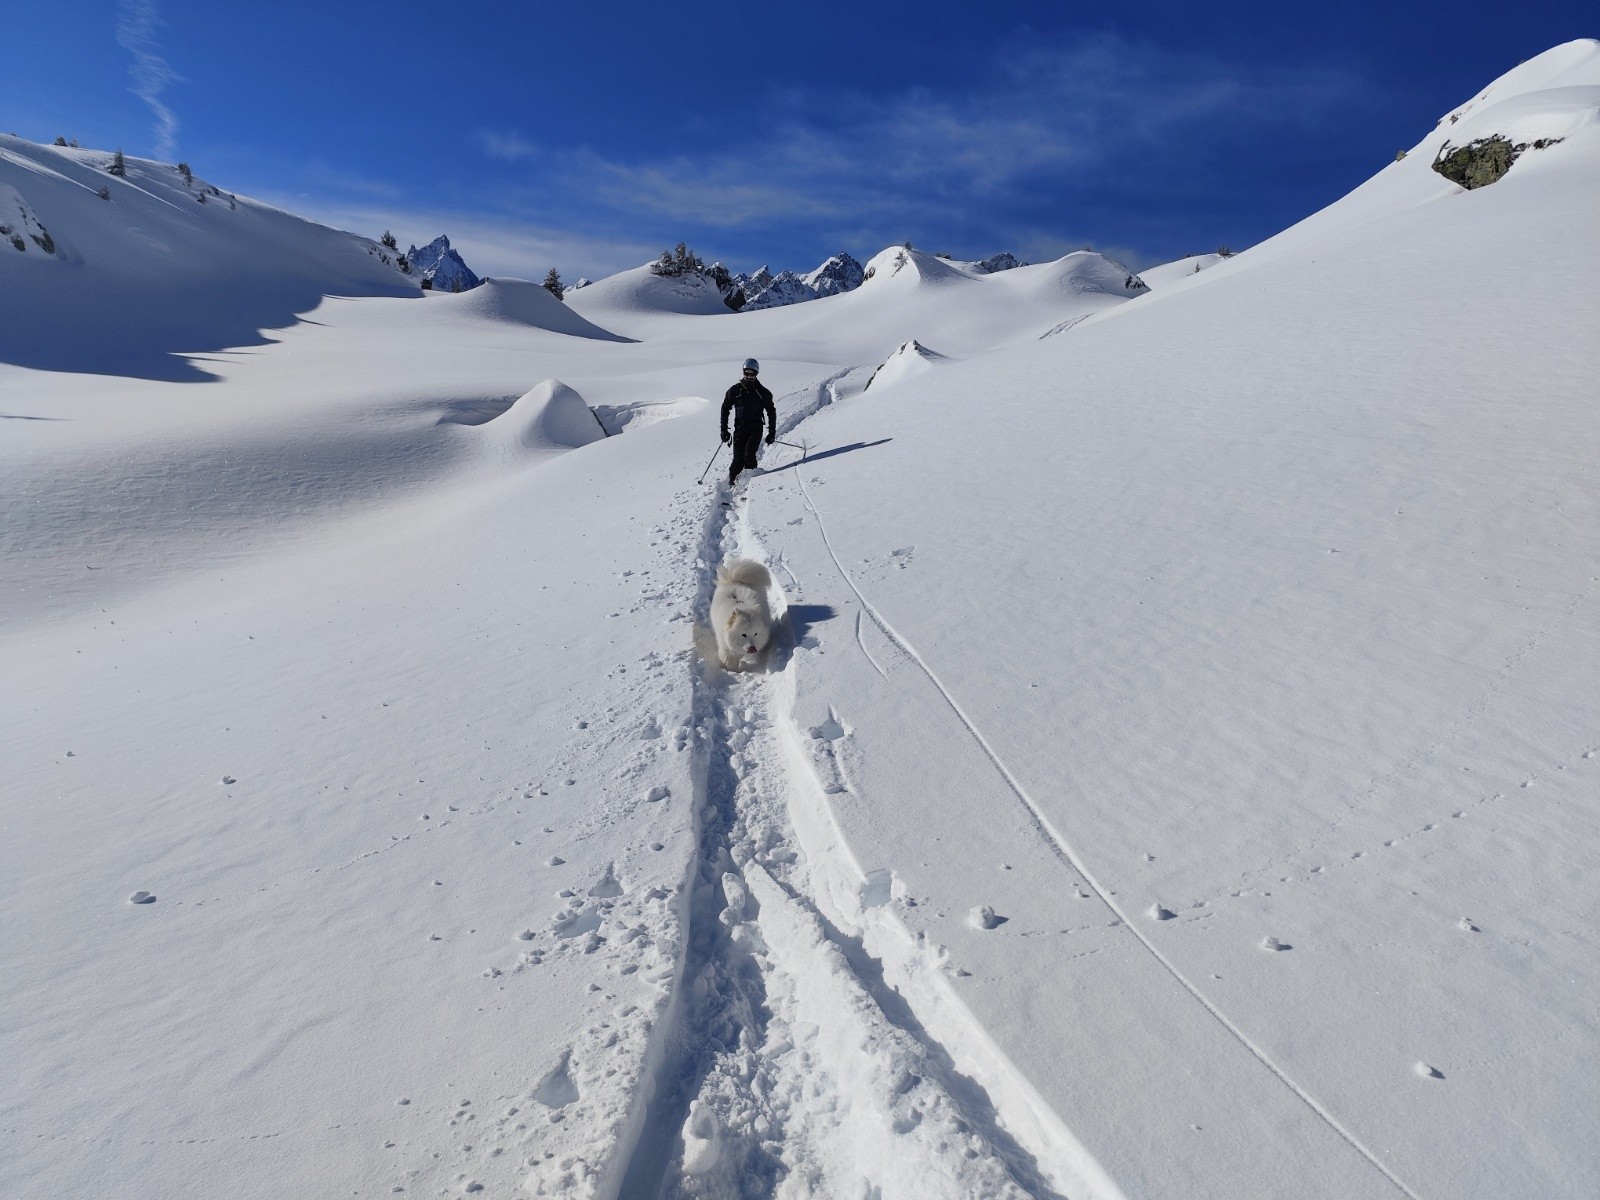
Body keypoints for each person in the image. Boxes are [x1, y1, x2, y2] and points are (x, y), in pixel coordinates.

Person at [720, 358, 776, 487]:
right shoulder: (735, 390)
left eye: (752, 374)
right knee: (738, 460)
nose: (749, 376)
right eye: (747, 373)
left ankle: (751, 486)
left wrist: (772, 432)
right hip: (740, 428)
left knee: (749, 456)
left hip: (755, 428)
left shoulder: (763, 392)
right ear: (743, 372)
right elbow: (725, 408)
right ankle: (732, 484)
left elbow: (771, 411)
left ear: (756, 374)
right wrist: (724, 429)